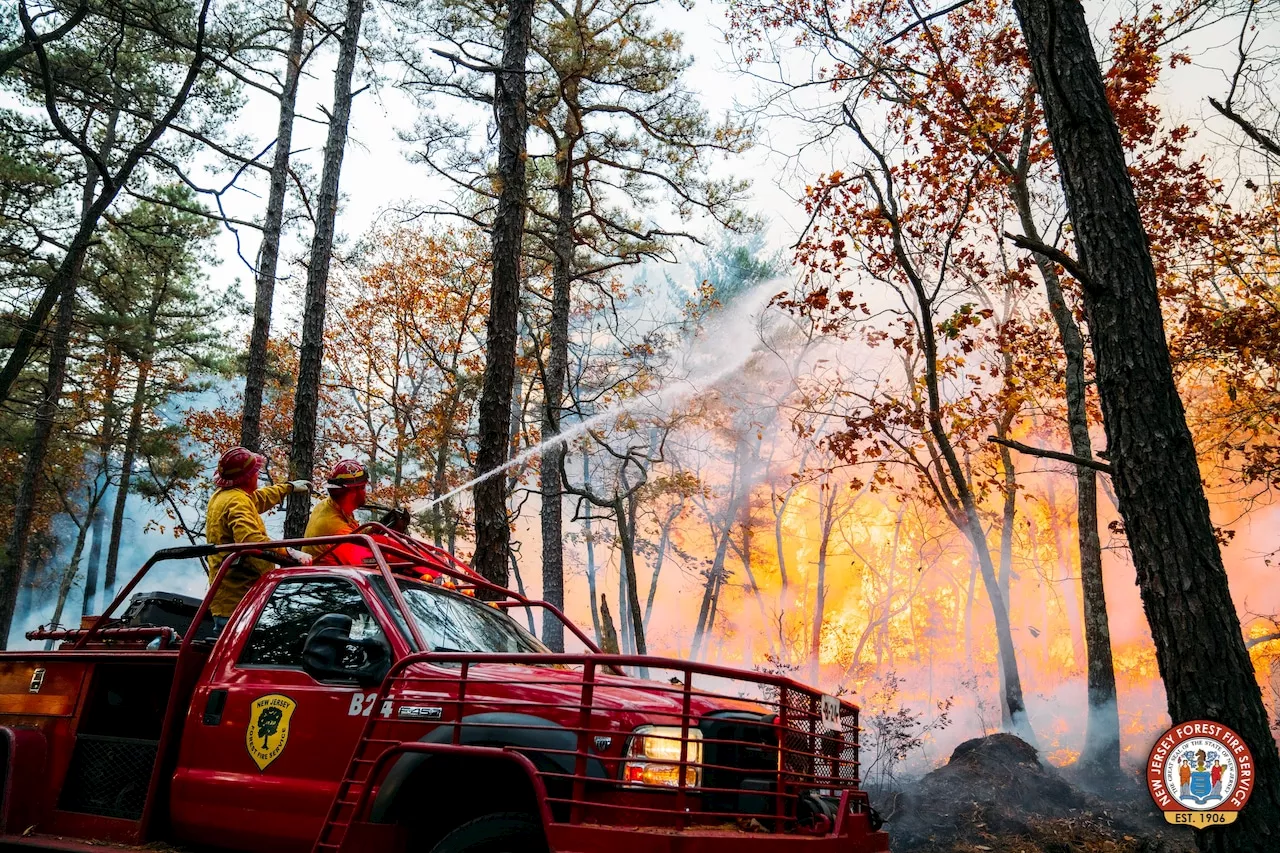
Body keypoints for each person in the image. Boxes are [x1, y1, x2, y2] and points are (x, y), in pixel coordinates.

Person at [205, 447, 312, 628]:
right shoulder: (236, 501)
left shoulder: (225, 496)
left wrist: (288, 488)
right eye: (256, 472)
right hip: (238, 601)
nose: (258, 476)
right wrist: (289, 552)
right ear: (247, 477)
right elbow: (250, 539)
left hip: (229, 600)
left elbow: (259, 498)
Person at [304, 459, 371, 564]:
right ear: (353, 491)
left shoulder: (329, 506)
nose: (365, 492)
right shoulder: (335, 528)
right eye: (363, 487)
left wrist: (373, 530)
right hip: (331, 578)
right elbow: (366, 562)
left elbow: (354, 533)